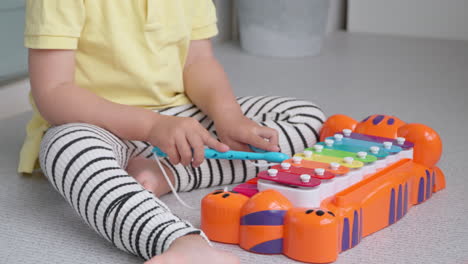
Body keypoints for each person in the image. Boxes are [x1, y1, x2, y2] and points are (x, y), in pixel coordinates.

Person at [19, 0, 325, 263]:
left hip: (180, 118)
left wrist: (229, 117)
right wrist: (151, 126)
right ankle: (177, 242)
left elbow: (198, 63)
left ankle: (168, 172)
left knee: (306, 117)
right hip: (98, 124)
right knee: (66, 148)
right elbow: (54, 92)